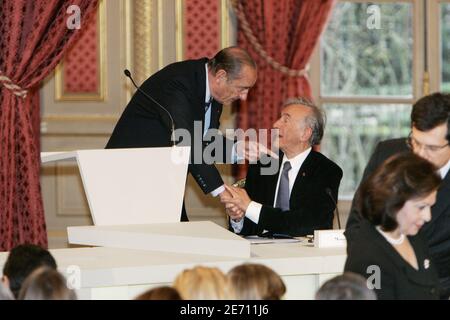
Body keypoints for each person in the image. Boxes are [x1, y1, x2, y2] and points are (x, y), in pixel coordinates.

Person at [106, 47, 257, 221]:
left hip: (162, 183)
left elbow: (203, 141)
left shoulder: (215, 93)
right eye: (242, 88)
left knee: (179, 241)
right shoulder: (178, 83)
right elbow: (187, 142)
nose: (244, 96)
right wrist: (221, 191)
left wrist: (237, 149)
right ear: (221, 76)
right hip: (128, 182)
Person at [345, 92, 450, 299]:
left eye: (432, 148)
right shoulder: (388, 154)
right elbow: (357, 222)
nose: (420, 154)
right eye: (415, 142)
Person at [222, 98, 343, 236]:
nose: (275, 124)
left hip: (303, 254)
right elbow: (249, 229)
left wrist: (249, 207)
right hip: (261, 251)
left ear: (305, 134)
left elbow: (310, 223)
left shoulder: (326, 171)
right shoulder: (262, 165)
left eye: (286, 120)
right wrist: (238, 218)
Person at [344, 153, 441, 299]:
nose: (428, 217)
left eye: (430, 207)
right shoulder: (369, 258)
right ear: (395, 200)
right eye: (421, 207)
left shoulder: (412, 234)